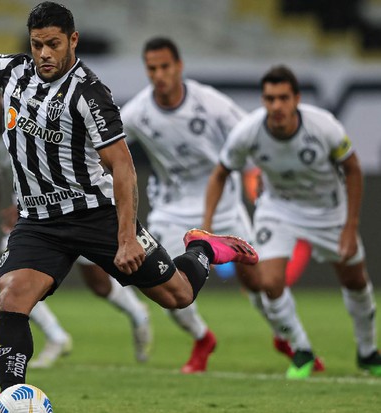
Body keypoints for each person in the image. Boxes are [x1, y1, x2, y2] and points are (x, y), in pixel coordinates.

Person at [0, 3, 258, 411]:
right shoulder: (14, 71)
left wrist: (126, 235)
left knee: (177, 295)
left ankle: (203, 246)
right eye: (37, 44)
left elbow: (123, 167)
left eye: (53, 44)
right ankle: (10, 399)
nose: (43, 54)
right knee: (13, 295)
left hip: (95, 214)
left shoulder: (90, 95)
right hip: (38, 221)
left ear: (73, 40)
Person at [120, 37, 323, 374]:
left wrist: (259, 180)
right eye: (152, 69)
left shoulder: (210, 103)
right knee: (167, 290)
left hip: (225, 207)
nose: (159, 75)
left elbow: (251, 139)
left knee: (260, 283)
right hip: (172, 212)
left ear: (179, 66)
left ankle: (291, 340)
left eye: (165, 67)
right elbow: (106, 146)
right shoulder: (137, 113)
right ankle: (202, 339)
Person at [0, 75, 152, 368]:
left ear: (0, 97)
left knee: (99, 284)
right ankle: (56, 336)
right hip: (34, 216)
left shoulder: (35, 113)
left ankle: (137, 313)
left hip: (81, 206)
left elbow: (92, 155)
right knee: (10, 284)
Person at [204, 65, 381, 379]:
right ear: (263, 100)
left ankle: (368, 352)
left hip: (329, 212)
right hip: (278, 209)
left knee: (355, 281)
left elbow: (352, 169)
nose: (277, 106)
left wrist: (351, 226)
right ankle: (302, 350)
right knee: (269, 283)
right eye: (270, 99)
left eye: (283, 98)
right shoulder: (248, 132)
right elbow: (220, 173)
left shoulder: (324, 126)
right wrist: (206, 226)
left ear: (296, 98)